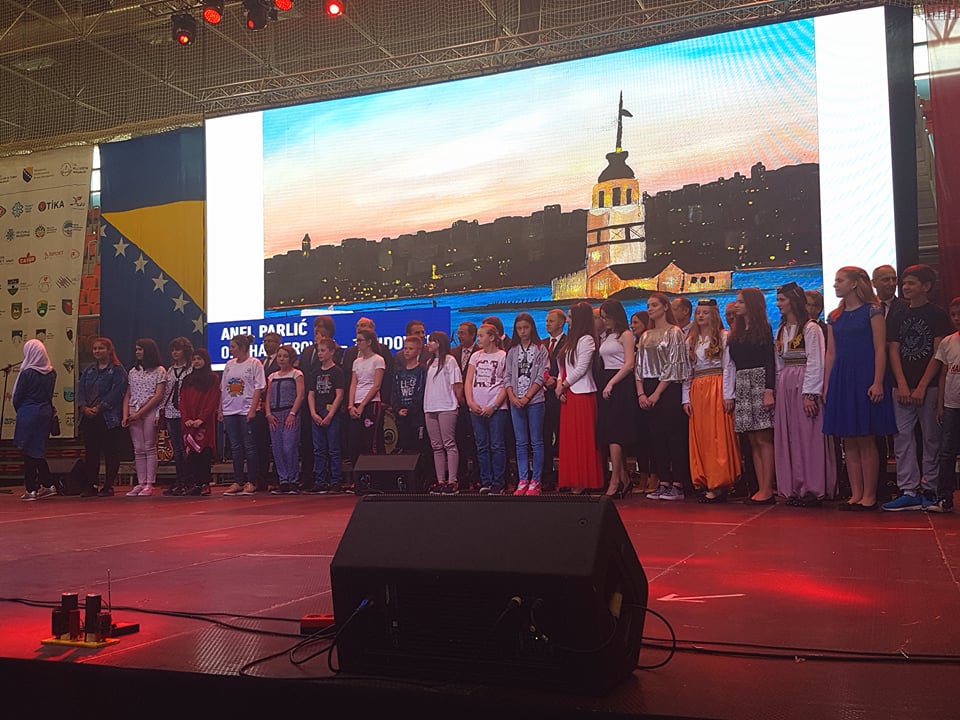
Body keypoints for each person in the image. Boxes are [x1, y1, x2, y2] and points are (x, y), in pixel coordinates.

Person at [822, 267, 896, 511]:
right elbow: (831, 353)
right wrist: (827, 384)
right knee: (848, 439)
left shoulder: (873, 310)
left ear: (854, 284)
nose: (835, 285)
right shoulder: (834, 316)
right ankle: (856, 494)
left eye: (840, 280)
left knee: (865, 437)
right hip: (842, 378)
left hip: (865, 375)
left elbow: (880, 348)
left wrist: (877, 381)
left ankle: (869, 495)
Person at [883, 264, 951, 511]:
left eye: (911, 283)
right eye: (905, 283)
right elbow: (893, 349)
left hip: (929, 386)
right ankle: (908, 489)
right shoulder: (898, 313)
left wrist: (922, 385)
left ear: (926, 286)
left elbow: (938, 353)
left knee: (931, 438)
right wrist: (902, 383)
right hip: (901, 386)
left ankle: (930, 488)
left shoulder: (937, 314)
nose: (906, 287)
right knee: (902, 438)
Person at [773, 282, 834, 506]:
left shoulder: (810, 328)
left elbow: (816, 361)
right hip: (786, 384)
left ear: (793, 301)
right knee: (790, 435)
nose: (778, 304)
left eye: (782, 300)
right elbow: (778, 362)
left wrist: (810, 393)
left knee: (808, 435)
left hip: (803, 382)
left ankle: (812, 487)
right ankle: (794, 486)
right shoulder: (781, 329)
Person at [682, 299, 740, 503]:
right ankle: (706, 479)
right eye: (698, 312)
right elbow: (687, 372)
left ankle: (719, 481)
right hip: (698, 390)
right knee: (702, 437)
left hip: (717, 386)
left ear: (713, 315)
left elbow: (728, 366)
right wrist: (685, 397)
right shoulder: (690, 341)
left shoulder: (723, 337)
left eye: (705, 312)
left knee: (718, 435)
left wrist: (728, 394)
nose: (700, 316)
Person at [636, 293, 691, 501]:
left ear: (665, 307)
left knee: (673, 436)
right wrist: (641, 393)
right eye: (648, 305)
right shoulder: (645, 335)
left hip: (668, 388)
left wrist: (657, 394)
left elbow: (674, 365)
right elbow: (639, 366)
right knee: (656, 437)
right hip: (648, 385)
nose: (650, 309)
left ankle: (678, 483)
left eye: (654, 305)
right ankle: (664, 481)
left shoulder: (674, 332)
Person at [727, 288, 777, 505]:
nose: (736, 305)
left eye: (740, 302)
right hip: (742, 383)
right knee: (752, 439)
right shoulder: (736, 331)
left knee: (763, 437)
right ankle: (760, 487)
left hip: (758, 380)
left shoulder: (763, 329)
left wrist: (769, 389)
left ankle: (767, 487)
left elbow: (769, 360)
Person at [556, 301, 604, 493]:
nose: (567, 320)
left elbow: (581, 368)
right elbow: (563, 367)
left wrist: (564, 385)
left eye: (570, 317)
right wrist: (560, 384)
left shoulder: (587, 340)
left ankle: (585, 480)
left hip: (582, 394)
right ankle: (574, 479)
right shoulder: (571, 340)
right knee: (570, 441)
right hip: (569, 393)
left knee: (583, 440)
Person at [77, 337, 129, 497]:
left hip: (108, 418)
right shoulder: (89, 370)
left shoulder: (117, 370)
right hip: (89, 417)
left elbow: (117, 392)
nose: (97, 351)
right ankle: (91, 484)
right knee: (91, 452)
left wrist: (100, 407)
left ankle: (108, 485)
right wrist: (84, 407)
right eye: (95, 348)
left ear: (109, 350)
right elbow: (80, 390)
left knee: (110, 452)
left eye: (101, 348)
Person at [597, 299, 638, 498]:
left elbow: (629, 364)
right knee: (609, 431)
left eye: (607, 317)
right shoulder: (607, 336)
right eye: (602, 318)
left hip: (620, 383)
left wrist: (612, 383)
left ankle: (615, 480)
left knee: (615, 433)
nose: (604, 321)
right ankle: (623, 476)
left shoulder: (626, 335)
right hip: (606, 379)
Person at [504, 313, 548, 496]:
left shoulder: (540, 349)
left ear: (532, 328)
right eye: (519, 328)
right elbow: (507, 376)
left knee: (536, 441)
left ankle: (536, 480)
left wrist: (528, 396)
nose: (522, 331)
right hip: (515, 402)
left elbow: (542, 375)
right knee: (520, 442)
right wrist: (512, 396)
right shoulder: (512, 350)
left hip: (535, 401)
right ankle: (523, 480)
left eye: (526, 327)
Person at [219, 334, 266, 496]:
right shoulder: (229, 365)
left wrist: (252, 409)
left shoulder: (254, 363)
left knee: (249, 446)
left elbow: (259, 387)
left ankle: (252, 481)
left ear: (242, 347)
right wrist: (221, 409)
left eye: (233, 346)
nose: (230, 349)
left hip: (246, 409)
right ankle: (238, 481)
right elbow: (223, 388)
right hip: (230, 409)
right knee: (235, 447)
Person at [465, 323, 508, 494]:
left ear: (491, 337)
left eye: (481, 335)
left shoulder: (503, 356)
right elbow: (469, 380)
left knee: (497, 445)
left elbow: (506, 384)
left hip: (496, 408)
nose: (478, 339)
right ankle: (486, 481)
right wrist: (470, 402)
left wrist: (494, 405)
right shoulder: (475, 356)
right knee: (481, 445)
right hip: (476, 407)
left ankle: (499, 482)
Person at [297, 315, 340, 482]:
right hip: (310, 401)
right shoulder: (308, 351)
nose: (317, 330)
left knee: (332, 445)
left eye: (321, 327)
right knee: (312, 444)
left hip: (329, 403)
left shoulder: (337, 351)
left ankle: (334, 478)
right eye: (315, 327)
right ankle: (312, 477)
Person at [13, 339, 57, 501]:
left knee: (28, 451)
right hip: (45, 412)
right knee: (37, 450)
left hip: (28, 412)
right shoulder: (52, 372)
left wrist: (21, 410)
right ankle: (48, 484)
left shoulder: (27, 373)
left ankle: (31, 489)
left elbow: (18, 396)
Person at [123, 338, 167, 496]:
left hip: (149, 410)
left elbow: (158, 395)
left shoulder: (159, 370)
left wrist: (140, 413)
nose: (137, 352)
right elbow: (128, 394)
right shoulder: (133, 371)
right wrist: (125, 414)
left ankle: (149, 483)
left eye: (140, 349)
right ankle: (140, 482)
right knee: (138, 448)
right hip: (133, 410)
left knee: (149, 446)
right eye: (136, 349)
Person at [424, 331, 464, 494]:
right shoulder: (429, 362)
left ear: (439, 343)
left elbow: (457, 383)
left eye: (432, 341)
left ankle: (452, 480)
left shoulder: (450, 360)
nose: (429, 344)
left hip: (447, 406)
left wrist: (459, 401)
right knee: (436, 446)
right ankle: (440, 480)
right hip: (430, 406)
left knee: (449, 444)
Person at [304, 337, 345, 494]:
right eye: (318, 351)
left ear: (332, 352)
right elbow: (311, 394)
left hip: (331, 413)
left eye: (323, 350)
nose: (320, 354)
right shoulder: (315, 372)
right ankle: (320, 480)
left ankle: (335, 480)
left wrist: (330, 415)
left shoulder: (337, 371)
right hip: (317, 412)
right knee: (318, 449)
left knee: (333, 448)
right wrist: (313, 413)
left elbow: (339, 395)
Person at [931, 296, 960, 513]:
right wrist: (940, 404)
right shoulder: (948, 342)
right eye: (953, 315)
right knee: (947, 451)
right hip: (952, 405)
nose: (957, 318)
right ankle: (944, 497)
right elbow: (943, 374)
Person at [179, 349, 219, 496]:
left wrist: (201, 419)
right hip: (190, 423)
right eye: (194, 359)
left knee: (204, 453)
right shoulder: (187, 379)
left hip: (204, 423)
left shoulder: (213, 378)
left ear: (206, 360)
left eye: (199, 359)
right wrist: (187, 419)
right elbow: (182, 401)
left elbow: (212, 400)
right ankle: (195, 483)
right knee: (192, 454)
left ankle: (205, 484)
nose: (196, 361)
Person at [265, 344, 305, 494]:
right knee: (277, 448)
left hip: (289, 413)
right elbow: (268, 396)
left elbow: (300, 395)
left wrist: (293, 413)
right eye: (279, 356)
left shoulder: (297, 374)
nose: (282, 359)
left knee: (289, 447)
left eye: (285, 356)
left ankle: (293, 479)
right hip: (274, 415)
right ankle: (283, 480)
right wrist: (268, 414)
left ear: (291, 358)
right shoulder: (272, 376)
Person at [393, 335, 428, 490]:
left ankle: (421, 481)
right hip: (402, 417)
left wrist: (411, 408)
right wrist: (397, 409)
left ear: (418, 351)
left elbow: (421, 392)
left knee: (419, 449)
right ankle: (405, 481)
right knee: (404, 447)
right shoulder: (398, 372)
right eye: (405, 348)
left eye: (411, 349)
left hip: (416, 417)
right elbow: (394, 392)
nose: (407, 351)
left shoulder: (422, 370)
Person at [630, 310, 658, 493]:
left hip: (650, 388)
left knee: (652, 435)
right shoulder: (632, 344)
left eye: (636, 323)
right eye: (631, 323)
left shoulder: (652, 343)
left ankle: (655, 474)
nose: (632, 326)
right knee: (640, 437)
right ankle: (643, 474)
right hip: (634, 391)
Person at [347, 327, 386, 462]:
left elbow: (377, 385)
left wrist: (363, 405)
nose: (357, 343)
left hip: (371, 403)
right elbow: (353, 384)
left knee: (371, 440)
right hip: (356, 403)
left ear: (369, 342)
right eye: (356, 340)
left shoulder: (378, 360)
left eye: (360, 340)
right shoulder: (356, 362)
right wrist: (351, 405)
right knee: (355, 441)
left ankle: (373, 470)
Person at [160, 337, 193, 496]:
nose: (175, 353)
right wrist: (162, 409)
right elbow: (166, 392)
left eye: (178, 350)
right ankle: (179, 480)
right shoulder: (170, 370)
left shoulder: (191, 369)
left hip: (186, 413)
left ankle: (188, 480)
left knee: (187, 447)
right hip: (171, 412)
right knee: (177, 448)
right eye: (173, 350)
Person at [541, 309, 566, 491]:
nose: (547, 324)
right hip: (542, 395)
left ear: (561, 323)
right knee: (544, 437)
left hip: (560, 395)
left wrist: (556, 380)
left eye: (551, 321)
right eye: (546, 321)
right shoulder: (542, 344)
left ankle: (565, 476)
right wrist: (544, 379)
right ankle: (546, 476)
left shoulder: (568, 342)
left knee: (562, 437)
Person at [452, 322, 479, 488]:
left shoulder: (480, 352)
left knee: (476, 440)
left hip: (475, 402)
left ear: (472, 335)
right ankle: (461, 477)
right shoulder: (453, 352)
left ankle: (477, 476)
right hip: (457, 404)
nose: (459, 336)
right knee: (459, 439)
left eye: (462, 333)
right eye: (458, 333)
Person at [254, 331, 282, 491]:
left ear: (278, 343)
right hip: (260, 408)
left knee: (277, 444)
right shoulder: (260, 362)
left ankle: (277, 478)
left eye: (270, 341)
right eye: (265, 341)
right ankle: (262, 479)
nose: (267, 344)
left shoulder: (282, 360)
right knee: (261, 445)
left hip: (276, 407)